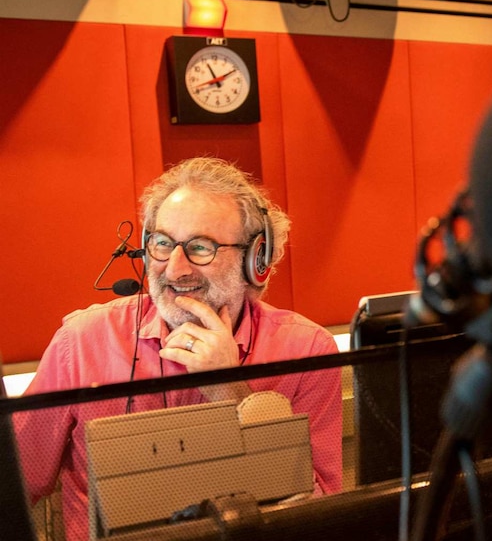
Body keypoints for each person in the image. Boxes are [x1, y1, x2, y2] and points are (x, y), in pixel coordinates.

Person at [13, 157, 343, 541]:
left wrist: (229, 388)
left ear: (256, 260)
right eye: (163, 244)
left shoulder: (306, 350)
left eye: (200, 248)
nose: (174, 269)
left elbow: (320, 515)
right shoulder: (83, 342)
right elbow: (13, 485)